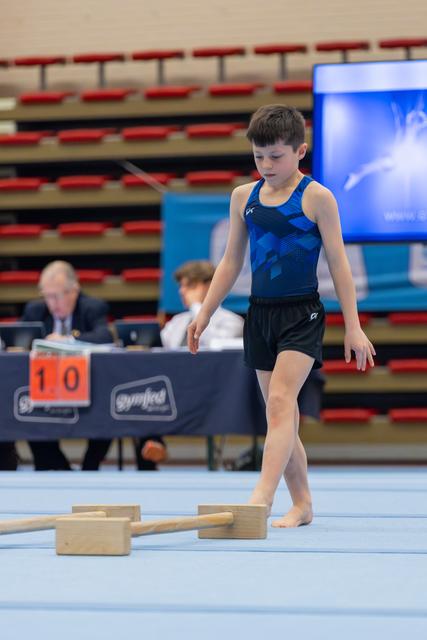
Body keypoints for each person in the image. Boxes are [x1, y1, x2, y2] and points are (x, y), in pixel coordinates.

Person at [188, 104, 375, 528]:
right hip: (260, 315)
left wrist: (353, 325)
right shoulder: (243, 197)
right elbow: (231, 262)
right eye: (258, 156)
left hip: (302, 314)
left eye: (276, 156)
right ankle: (303, 503)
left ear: (300, 151)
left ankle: (261, 498)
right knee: (281, 416)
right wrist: (204, 313)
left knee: (279, 403)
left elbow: (340, 264)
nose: (266, 165)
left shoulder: (316, 197)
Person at [135, 259, 244, 468]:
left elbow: (211, 344)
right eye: (182, 287)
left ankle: (155, 443)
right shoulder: (176, 322)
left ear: (209, 286)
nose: (182, 291)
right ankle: (154, 449)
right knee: (141, 394)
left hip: (211, 393)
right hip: (174, 390)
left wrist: (198, 308)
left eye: (190, 286)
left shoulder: (231, 321)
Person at [22, 261, 114, 471]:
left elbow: (105, 336)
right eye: (47, 296)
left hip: (90, 384)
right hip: (44, 386)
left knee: (107, 410)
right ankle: (58, 467)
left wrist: (67, 340)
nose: (52, 303)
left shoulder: (92, 306)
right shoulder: (35, 310)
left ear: (74, 290)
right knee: (26, 412)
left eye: (57, 296)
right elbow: (21, 340)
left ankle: (90, 468)